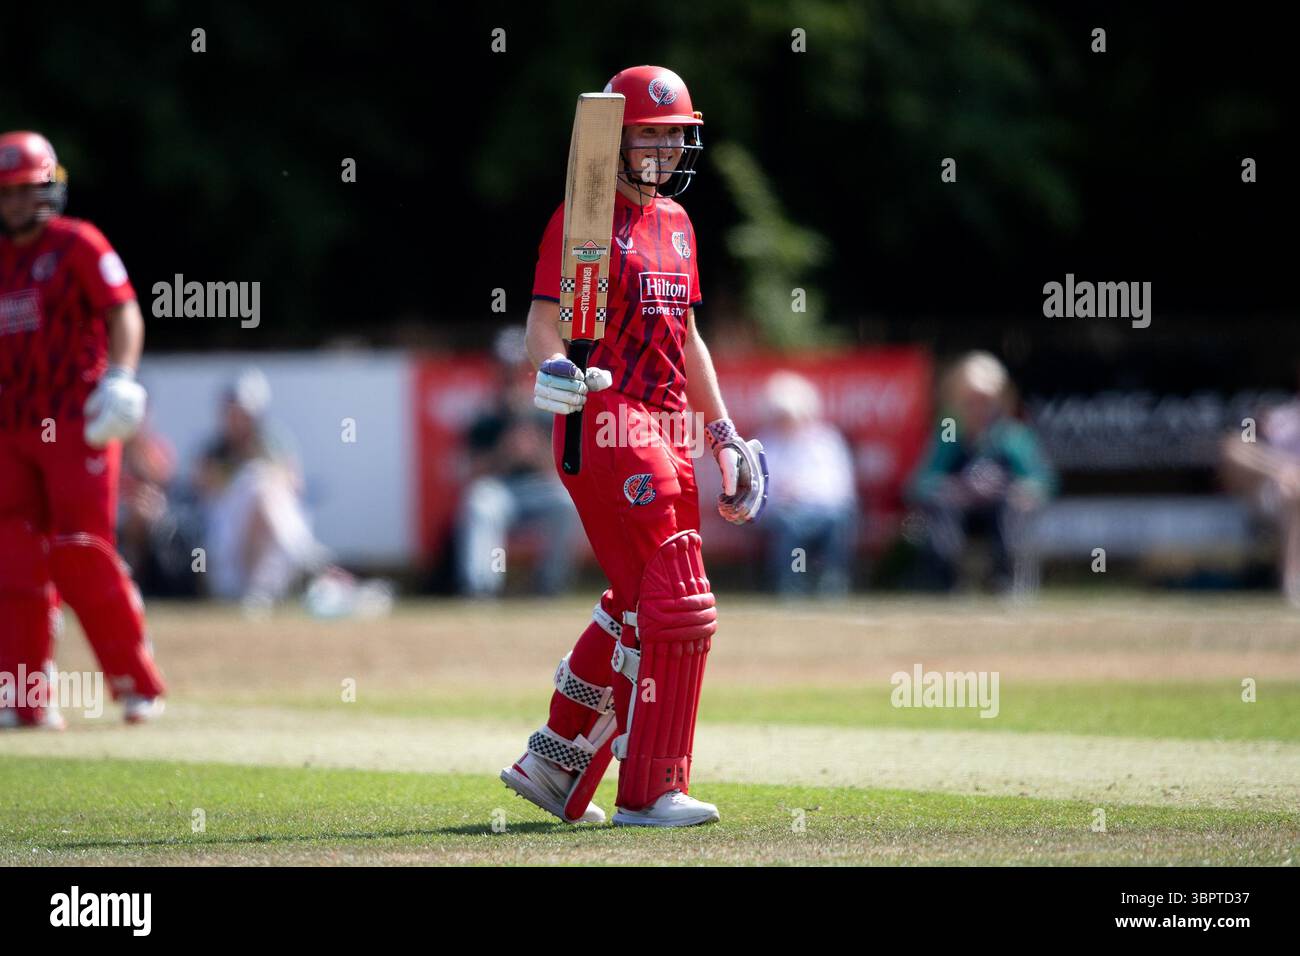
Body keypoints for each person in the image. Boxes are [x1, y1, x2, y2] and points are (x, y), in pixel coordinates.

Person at [500, 66, 769, 827]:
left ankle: (554, 759)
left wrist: (722, 433)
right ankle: (651, 791)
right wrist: (551, 368)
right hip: (604, 415)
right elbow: (541, 324)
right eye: (646, 131)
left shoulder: (678, 225)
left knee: (636, 601)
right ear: (613, 140)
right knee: (678, 601)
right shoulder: (581, 216)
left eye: (673, 132)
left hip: (666, 425)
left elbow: (686, 337)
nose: (661, 145)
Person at [0, 131, 166, 727]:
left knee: (81, 554)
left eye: (26, 191)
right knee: (12, 556)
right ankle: (25, 699)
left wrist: (121, 376)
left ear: (49, 189)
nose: (16, 204)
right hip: (10, 427)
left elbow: (123, 308)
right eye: (7, 194)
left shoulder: (78, 244)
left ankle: (135, 684)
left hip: (74, 423)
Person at [904, 351, 1056, 594]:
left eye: (984, 399)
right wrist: (952, 488)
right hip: (960, 512)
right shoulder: (950, 432)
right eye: (970, 400)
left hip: (1002, 511)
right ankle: (945, 586)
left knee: (1014, 508)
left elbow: (1043, 482)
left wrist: (1022, 490)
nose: (977, 407)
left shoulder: (1012, 435)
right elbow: (921, 483)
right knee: (940, 507)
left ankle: (1007, 584)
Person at [455, 327, 581, 597]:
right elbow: (471, 472)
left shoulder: (547, 410)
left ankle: (549, 587)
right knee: (479, 503)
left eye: (517, 370)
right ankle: (481, 590)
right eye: (506, 372)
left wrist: (534, 453)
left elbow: (564, 470)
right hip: (501, 490)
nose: (511, 378)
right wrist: (506, 453)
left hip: (539, 488)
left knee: (566, 503)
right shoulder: (485, 416)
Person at [755, 371, 858, 596]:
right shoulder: (764, 442)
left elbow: (840, 487)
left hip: (826, 511)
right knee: (789, 526)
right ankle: (792, 585)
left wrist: (802, 493)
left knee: (837, 522)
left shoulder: (827, 440)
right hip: (783, 514)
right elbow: (758, 488)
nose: (785, 421)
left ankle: (832, 582)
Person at [1221, 382, 1300, 607]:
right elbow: (1240, 446)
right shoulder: (1275, 417)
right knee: (1235, 447)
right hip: (1274, 490)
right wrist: (1282, 469)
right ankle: (1294, 584)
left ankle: (1293, 579)